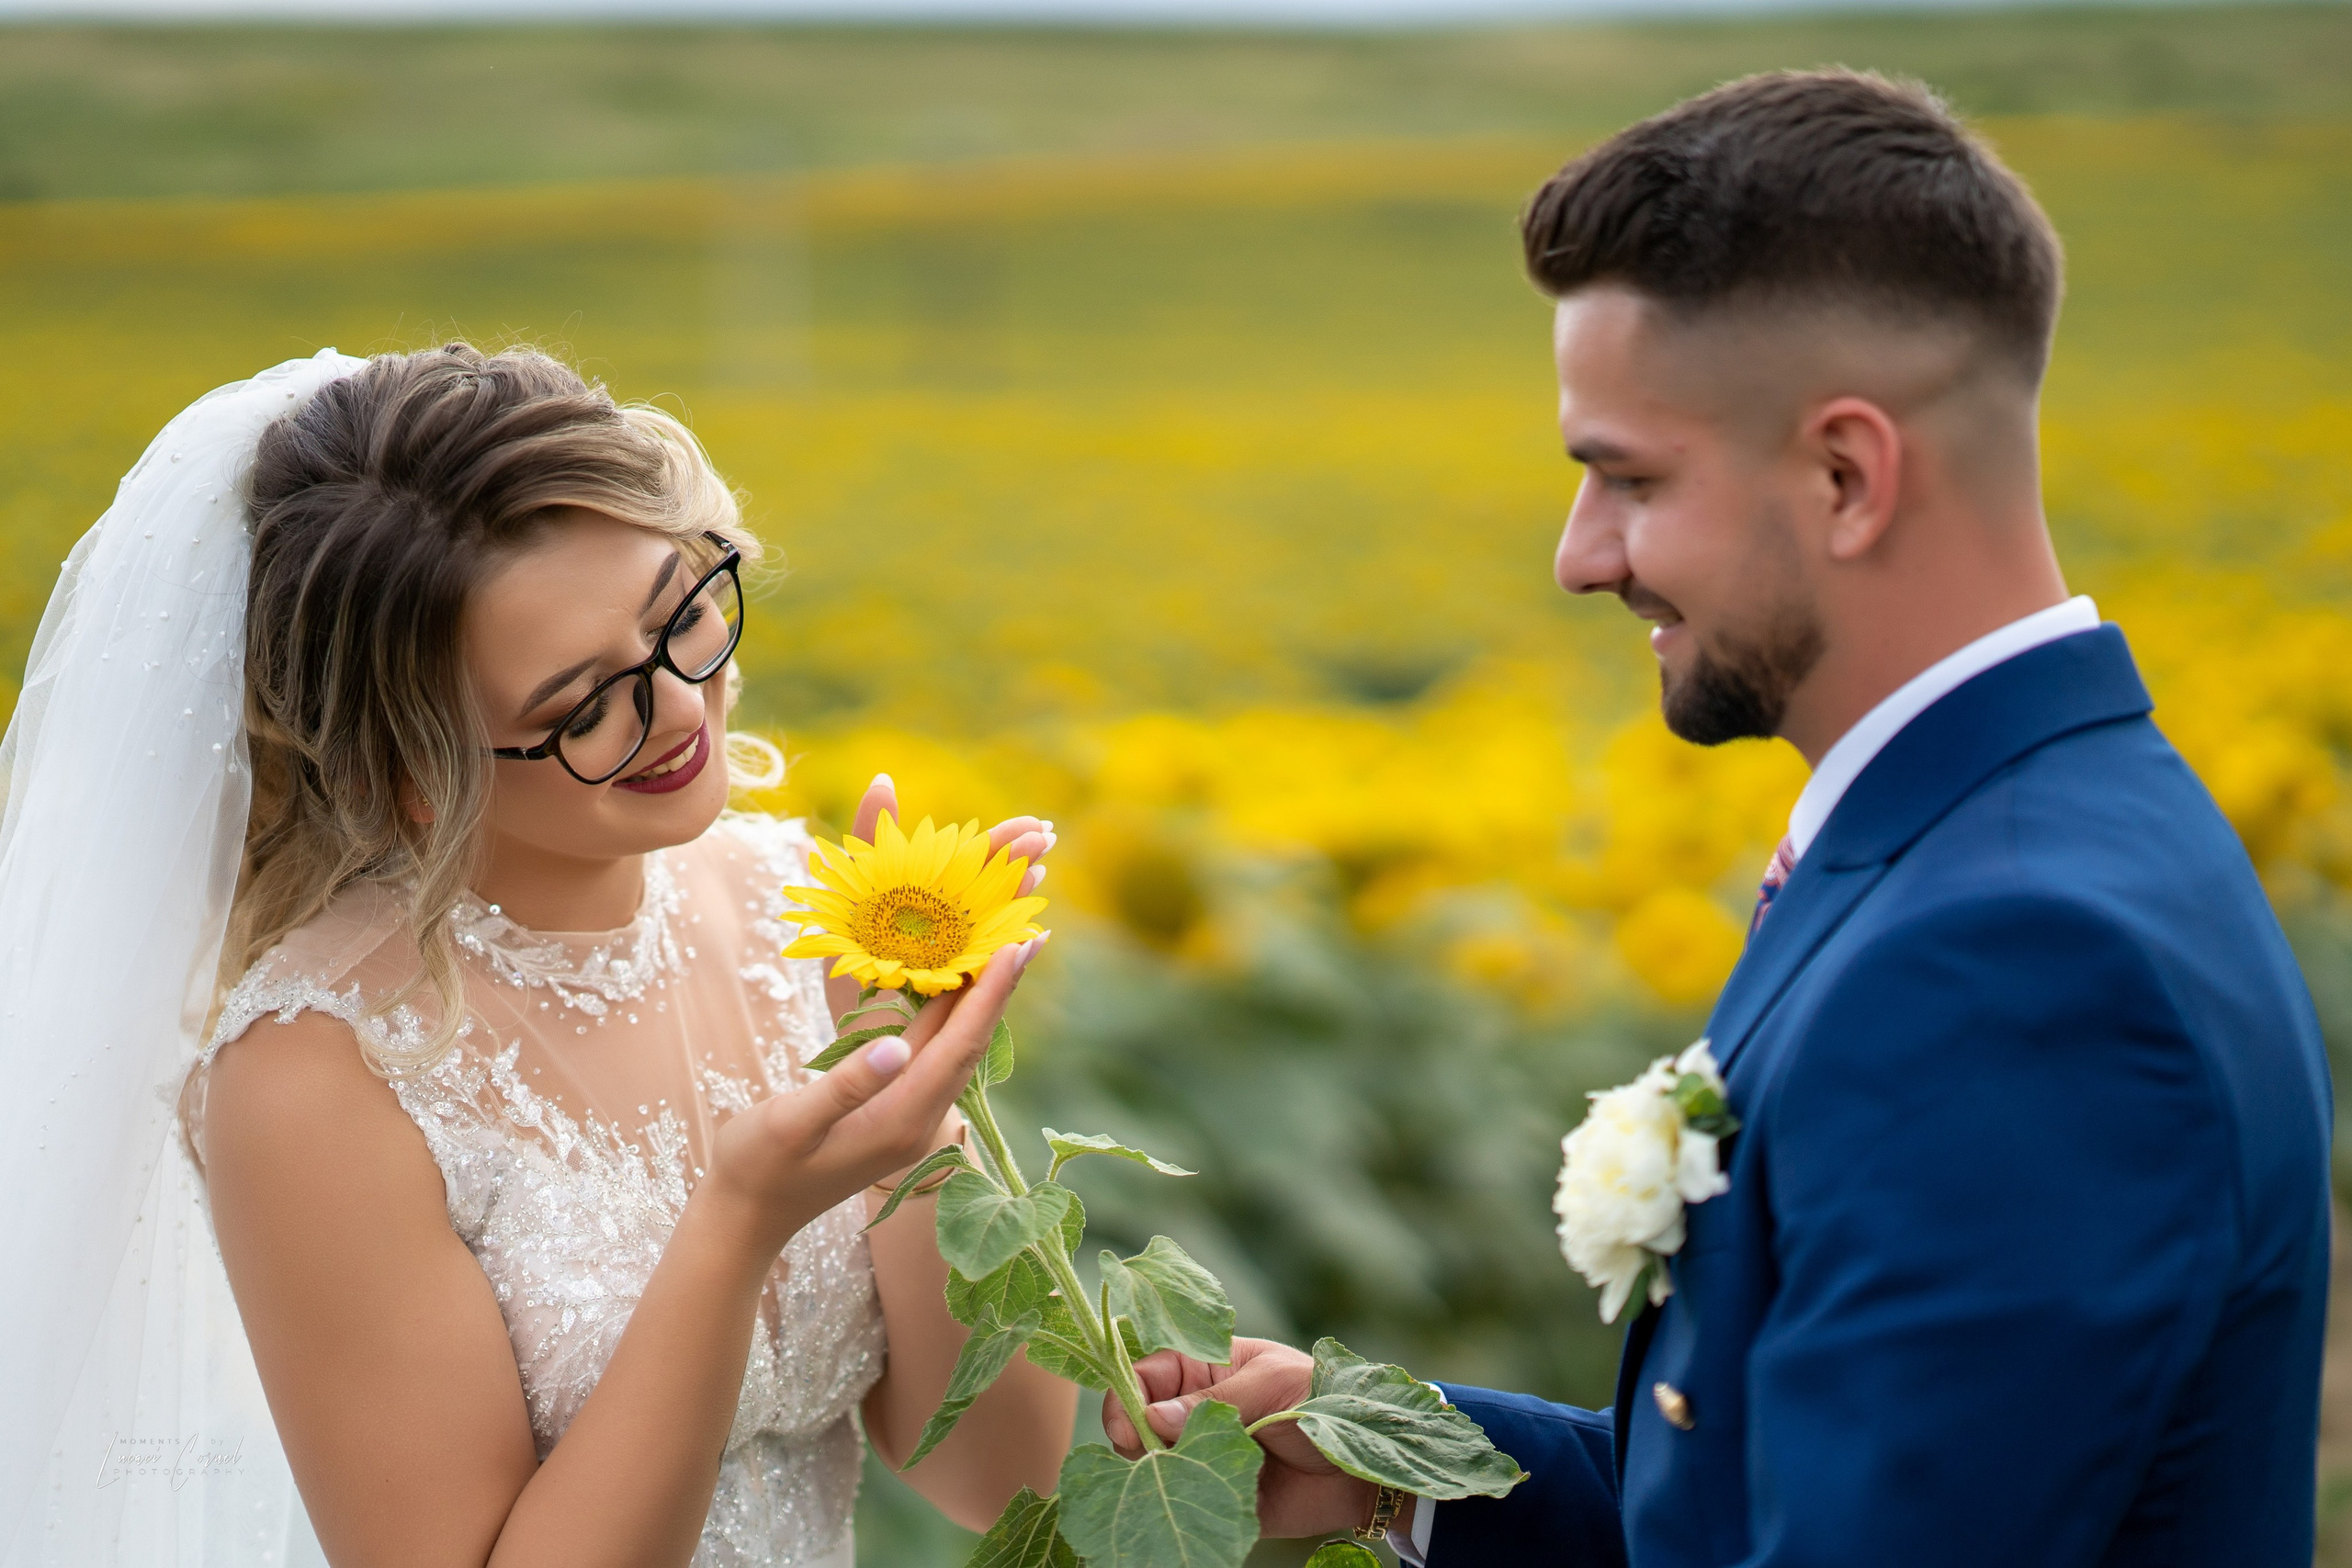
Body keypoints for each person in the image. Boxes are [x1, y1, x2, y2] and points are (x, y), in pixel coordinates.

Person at [1102, 71, 2333, 1565]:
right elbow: (1804, 1482)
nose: (1580, 557)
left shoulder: (2015, 957)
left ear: (1846, 473)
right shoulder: (2038, 823)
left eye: (1627, 477)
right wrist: (1396, 1472)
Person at [0, 344, 1073, 1567]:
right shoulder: (313, 1077)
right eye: (577, 708)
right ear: (408, 777)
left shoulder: (799, 904)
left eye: (681, 615)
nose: (677, 708)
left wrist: (919, 1102)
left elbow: (1003, 1480)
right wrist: (736, 1228)